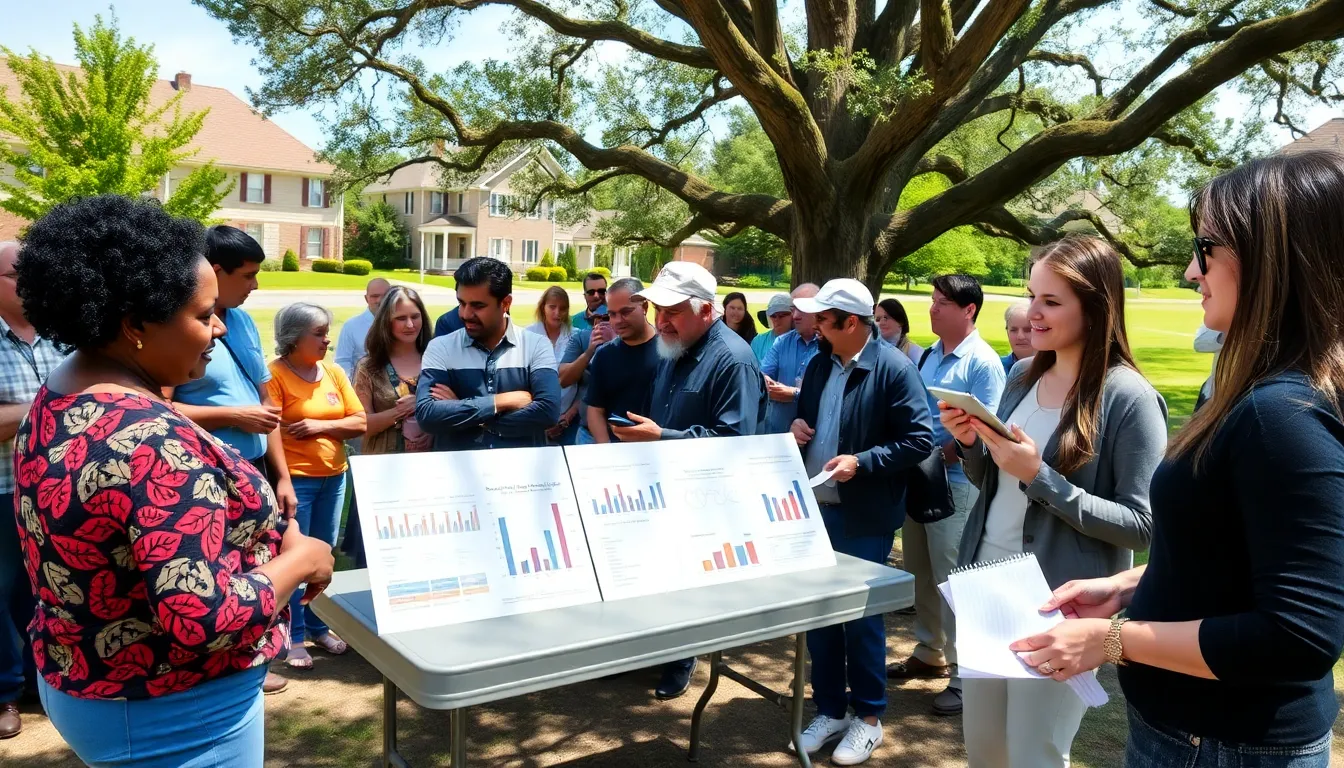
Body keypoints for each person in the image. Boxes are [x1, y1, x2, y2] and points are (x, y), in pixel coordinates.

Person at [1011, 152, 1344, 768]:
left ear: (1270, 257)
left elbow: (1298, 636)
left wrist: (1113, 641)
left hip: (1225, 744)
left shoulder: (1281, 417)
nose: (1192, 270)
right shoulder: (1251, 397)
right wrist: (1129, 584)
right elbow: (1235, 557)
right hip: (1194, 735)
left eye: (1207, 248)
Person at [13, 195, 333, 766]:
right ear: (135, 323)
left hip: (88, 680)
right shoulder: (153, 443)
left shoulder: (59, 393)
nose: (217, 330)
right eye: (202, 314)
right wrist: (303, 560)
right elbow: (200, 616)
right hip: (172, 710)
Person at [942, 236, 1168, 767]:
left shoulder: (1129, 397)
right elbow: (991, 483)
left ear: (1095, 307)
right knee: (985, 751)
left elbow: (1143, 526)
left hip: (1055, 603)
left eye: (1051, 301)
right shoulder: (1022, 375)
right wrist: (974, 444)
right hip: (985, 587)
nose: (1033, 314)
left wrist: (1041, 477)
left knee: (1033, 755)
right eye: (1031, 296)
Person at [789, 279, 934, 765]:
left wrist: (864, 462)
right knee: (821, 618)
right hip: (816, 509)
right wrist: (796, 427)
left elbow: (919, 439)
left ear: (850, 323)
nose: (810, 325)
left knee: (861, 617)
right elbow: (806, 419)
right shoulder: (818, 364)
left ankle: (869, 718)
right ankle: (830, 708)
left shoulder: (894, 368)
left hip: (864, 515)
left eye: (822, 319)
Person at [610, 261, 765, 699]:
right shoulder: (673, 346)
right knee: (655, 574)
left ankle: (682, 657)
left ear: (705, 310)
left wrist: (661, 436)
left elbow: (736, 441)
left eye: (672, 312)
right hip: (664, 487)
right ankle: (647, 651)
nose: (661, 321)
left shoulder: (732, 360)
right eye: (657, 310)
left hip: (707, 500)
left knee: (689, 582)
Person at [167, 225, 298, 696]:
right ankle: (224, 669)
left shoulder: (240, 322)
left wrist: (281, 476)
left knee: (256, 565)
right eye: (248, 275)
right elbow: (157, 408)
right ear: (214, 271)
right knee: (219, 579)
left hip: (255, 473)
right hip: (207, 478)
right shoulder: (178, 327)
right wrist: (230, 415)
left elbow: (267, 408)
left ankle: (252, 660)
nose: (256, 285)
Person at [888, 273, 1006, 717]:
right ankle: (929, 650)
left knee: (957, 581)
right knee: (920, 570)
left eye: (941, 302)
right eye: (932, 299)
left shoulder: (982, 362)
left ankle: (963, 673)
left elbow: (985, 427)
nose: (932, 307)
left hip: (957, 485)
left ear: (968, 310)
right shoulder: (932, 355)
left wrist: (942, 451)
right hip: (921, 478)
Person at [267, 303, 367, 669]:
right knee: (295, 559)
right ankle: (292, 637)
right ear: (294, 339)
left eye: (328, 332)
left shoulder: (333, 371)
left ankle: (319, 626)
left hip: (335, 477)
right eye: (320, 333)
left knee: (324, 556)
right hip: (298, 483)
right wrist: (282, 479)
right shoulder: (274, 375)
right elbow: (271, 428)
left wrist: (319, 426)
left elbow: (360, 422)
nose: (328, 340)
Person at [0, 240, 66, 740]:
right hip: (5, 489)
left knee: (48, 585)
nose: (31, 282)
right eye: (19, 275)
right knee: (3, 593)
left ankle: (39, 678)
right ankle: (6, 692)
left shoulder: (60, 335)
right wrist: (46, 405)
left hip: (56, 489)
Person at [416, 257, 560, 450]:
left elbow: (547, 412)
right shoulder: (440, 347)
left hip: (521, 475)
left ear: (506, 303)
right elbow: (428, 416)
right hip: (457, 474)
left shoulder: (536, 345)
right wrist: (500, 402)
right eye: (461, 303)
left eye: (478, 306)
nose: (465, 314)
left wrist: (462, 411)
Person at [350, 286, 435, 568]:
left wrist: (427, 403)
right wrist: (401, 412)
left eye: (415, 316)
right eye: (401, 318)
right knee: (386, 557)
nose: (410, 324)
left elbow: (454, 409)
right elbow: (362, 426)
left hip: (430, 474)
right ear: (386, 320)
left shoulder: (438, 360)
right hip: (384, 473)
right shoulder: (369, 367)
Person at [583, 278, 659, 443]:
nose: (618, 321)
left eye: (626, 312)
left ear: (644, 307)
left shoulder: (669, 351)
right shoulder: (604, 355)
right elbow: (595, 409)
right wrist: (607, 449)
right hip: (618, 451)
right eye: (612, 314)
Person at [761, 283, 821, 433]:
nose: (795, 316)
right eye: (793, 309)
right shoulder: (782, 342)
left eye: (801, 309)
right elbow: (762, 377)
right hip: (777, 435)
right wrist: (764, 382)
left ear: (818, 309)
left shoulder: (829, 346)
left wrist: (794, 394)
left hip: (812, 437)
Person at [526, 286, 580, 444]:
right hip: (534, 417)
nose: (557, 313)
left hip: (569, 418)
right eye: (552, 307)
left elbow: (585, 384)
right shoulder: (528, 335)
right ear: (543, 307)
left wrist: (568, 417)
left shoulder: (576, 336)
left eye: (563, 308)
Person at [334, 278, 390, 379]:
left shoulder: (403, 324)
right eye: (374, 296)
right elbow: (342, 363)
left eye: (385, 296)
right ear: (366, 299)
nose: (380, 300)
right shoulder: (351, 326)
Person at [752, 293, 794, 362]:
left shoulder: (801, 341)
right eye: (773, 316)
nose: (777, 319)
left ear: (793, 316)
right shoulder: (758, 341)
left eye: (782, 315)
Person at [1192, 323, 1223, 410]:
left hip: (1248, 395)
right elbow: (1199, 343)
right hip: (1212, 393)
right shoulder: (1222, 316)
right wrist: (1224, 336)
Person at [1001, 300, 1034, 374]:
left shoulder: (1056, 368)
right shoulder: (997, 367)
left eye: (1027, 330)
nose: (1020, 336)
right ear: (1007, 332)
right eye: (1013, 330)